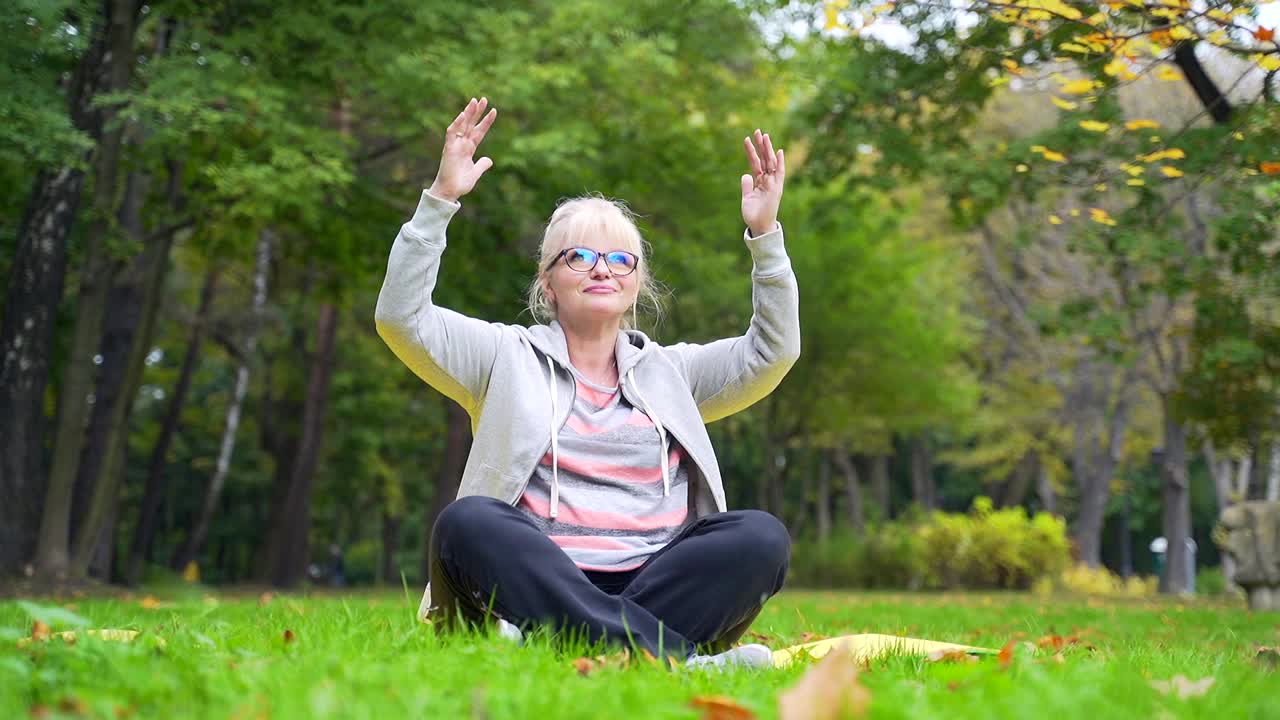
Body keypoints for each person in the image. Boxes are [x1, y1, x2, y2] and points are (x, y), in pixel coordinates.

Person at [374, 97, 800, 669]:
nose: (602, 268)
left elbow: (773, 352)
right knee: (467, 522)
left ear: (635, 284)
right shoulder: (505, 355)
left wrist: (766, 235)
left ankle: (577, 646)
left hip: (653, 579)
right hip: (535, 579)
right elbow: (402, 317)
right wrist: (440, 200)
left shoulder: (671, 372)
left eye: (620, 259)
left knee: (760, 537)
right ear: (547, 286)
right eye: (577, 256)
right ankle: (669, 660)